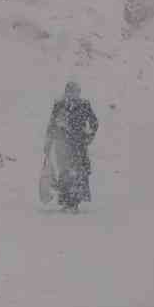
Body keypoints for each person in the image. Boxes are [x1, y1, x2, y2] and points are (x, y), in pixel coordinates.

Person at [45, 80, 99, 212]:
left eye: (75, 91)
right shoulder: (59, 105)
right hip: (62, 145)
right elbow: (52, 124)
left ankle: (74, 202)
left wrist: (88, 136)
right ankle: (66, 201)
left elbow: (94, 123)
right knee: (65, 173)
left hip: (78, 145)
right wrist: (49, 142)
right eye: (70, 91)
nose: (72, 93)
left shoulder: (84, 105)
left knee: (79, 173)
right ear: (66, 91)